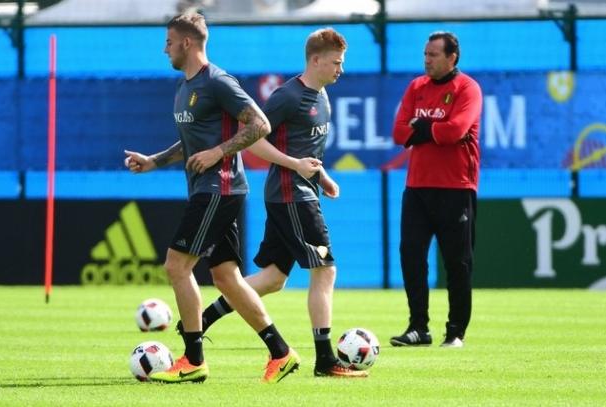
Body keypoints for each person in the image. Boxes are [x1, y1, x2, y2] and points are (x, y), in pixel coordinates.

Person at [123, 11, 302, 384]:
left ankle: (193, 360)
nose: (164, 49)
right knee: (225, 278)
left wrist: (219, 153)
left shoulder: (217, 81)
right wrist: (155, 161)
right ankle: (281, 352)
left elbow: (260, 124)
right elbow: (191, 141)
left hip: (218, 189)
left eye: (169, 42)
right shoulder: (184, 87)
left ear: (187, 43)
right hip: (215, 190)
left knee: (176, 266)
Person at [196, 28, 368, 377]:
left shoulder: (322, 97)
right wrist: (298, 168)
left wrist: (323, 176)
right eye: (336, 63)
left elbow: (306, 151)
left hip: (298, 193)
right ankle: (324, 360)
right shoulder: (287, 96)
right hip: (292, 195)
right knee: (325, 270)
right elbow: (252, 142)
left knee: (274, 278)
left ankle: (203, 318)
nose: (341, 70)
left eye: (342, 63)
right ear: (315, 60)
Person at [389, 31, 482, 348]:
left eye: (433, 54)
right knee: (411, 255)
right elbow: (399, 132)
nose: (426, 59)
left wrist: (423, 128)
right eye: (425, 54)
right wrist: (429, 130)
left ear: (452, 57)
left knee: (457, 262)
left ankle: (455, 332)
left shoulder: (467, 88)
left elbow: (456, 131)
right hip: (417, 188)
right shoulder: (417, 87)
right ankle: (418, 328)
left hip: (456, 187)